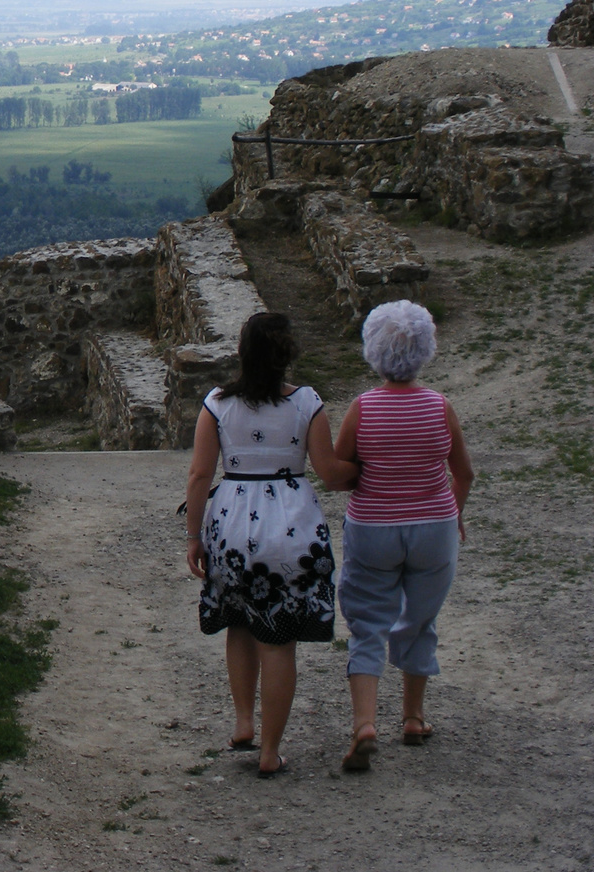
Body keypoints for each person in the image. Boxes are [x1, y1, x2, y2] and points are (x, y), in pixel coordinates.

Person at [184, 312, 360, 777]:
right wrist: (370, 471)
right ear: (288, 354)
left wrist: (193, 536)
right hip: (289, 526)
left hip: (231, 524)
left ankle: (243, 721)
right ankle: (270, 750)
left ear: (241, 352)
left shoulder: (217, 403)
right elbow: (328, 469)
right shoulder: (307, 404)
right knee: (278, 641)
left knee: (239, 624)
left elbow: (200, 474)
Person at [332, 299, 473, 773]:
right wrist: (453, 513)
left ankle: (365, 723)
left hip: (373, 527)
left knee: (368, 621)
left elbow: (343, 468)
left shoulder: (363, 408)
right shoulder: (439, 406)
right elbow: (464, 473)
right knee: (420, 618)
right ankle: (413, 717)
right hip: (434, 526)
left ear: (374, 349)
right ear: (424, 348)